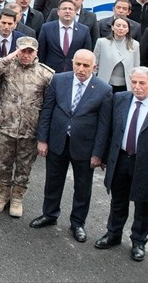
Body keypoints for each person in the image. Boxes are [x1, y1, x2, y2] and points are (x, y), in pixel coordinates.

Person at [93, 66, 148, 262]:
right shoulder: (120, 99)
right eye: (134, 82)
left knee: (143, 205)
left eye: (142, 83)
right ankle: (113, 234)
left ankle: (139, 241)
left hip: (147, 165)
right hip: (121, 159)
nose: (137, 87)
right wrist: (104, 156)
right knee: (118, 201)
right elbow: (109, 130)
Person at [30, 50, 112, 242]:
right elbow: (47, 110)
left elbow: (104, 125)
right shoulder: (59, 80)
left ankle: (78, 223)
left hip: (84, 146)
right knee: (53, 180)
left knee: (83, 186)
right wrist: (42, 139)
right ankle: (49, 214)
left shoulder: (103, 89)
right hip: (58, 141)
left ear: (95, 67)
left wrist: (98, 153)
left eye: (86, 66)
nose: (81, 69)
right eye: (78, 64)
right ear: (73, 63)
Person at [0, 35, 55, 218]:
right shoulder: (7, 67)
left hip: (30, 131)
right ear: (17, 50)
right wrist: (7, 59)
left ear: (36, 53)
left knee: (24, 168)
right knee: (3, 164)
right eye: (23, 50)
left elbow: (49, 106)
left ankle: (17, 197)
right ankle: (2, 194)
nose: (26, 55)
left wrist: (44, 135)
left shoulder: (46, 74)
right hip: (5, 127)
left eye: (30, 51)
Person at [37, 0, 94, 73]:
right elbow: (41, 53)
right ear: (58, 12)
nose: (67, 11)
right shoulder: (46, 28)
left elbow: (86, 53)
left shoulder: (84, 30)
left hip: (74, 73)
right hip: (50, 73)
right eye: (64, 9)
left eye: (70, 9)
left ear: (75, 12)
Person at [95, 16, 139, 92]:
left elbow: (136, 66)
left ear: (128, 29)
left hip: (125, 86)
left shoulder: (134, 44)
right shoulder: (102, 42)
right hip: (104, 83)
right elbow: (95, 64)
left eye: (124, 26)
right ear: (112, 27)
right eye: (118, 25)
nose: (121, 28)